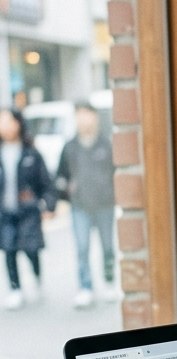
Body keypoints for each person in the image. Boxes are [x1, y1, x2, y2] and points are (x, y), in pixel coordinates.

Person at [56, 102, 118, 308]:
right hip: (80, 206)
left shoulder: (106, 143)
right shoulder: (70, 146)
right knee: (82, 248)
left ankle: (109, 283)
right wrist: (67, 190)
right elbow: (60, 176)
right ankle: (85, 287)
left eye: (86, 115)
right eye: (78, 115)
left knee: (107, 246)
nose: (83, 119)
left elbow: (116, 172)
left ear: (95, 117)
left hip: (105, 205)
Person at [0, 107, 55, 310]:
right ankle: (16, 289)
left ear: (18, 123)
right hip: (5, 213)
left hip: (28, 211)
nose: (4, 126)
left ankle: (37, 278)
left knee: (31, 249)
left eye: (8, 121)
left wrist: (49, 205)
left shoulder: (31, 152)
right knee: (9, 250)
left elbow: (45, 182)